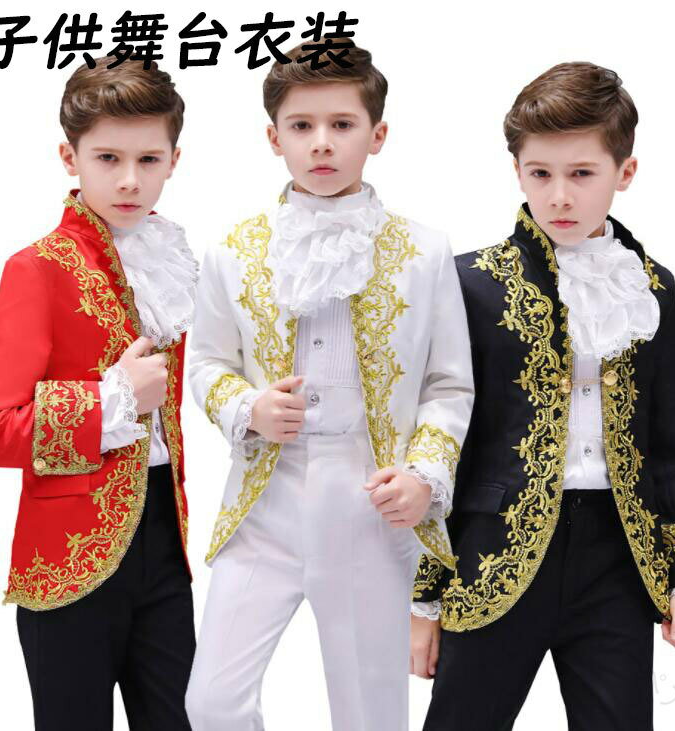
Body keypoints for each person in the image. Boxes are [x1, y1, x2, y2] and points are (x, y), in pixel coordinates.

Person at [184, 39, 474, 731]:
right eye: (301, 125)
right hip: (266, 499)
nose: (321, 142)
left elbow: (448, 383)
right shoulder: (233, 249)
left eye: (341, 124)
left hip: (370, 499)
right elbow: (205, 363)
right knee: (211, 701)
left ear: (376, 135)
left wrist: (424, 474)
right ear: (274, 138)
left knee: (369, 713)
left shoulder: (424, 249)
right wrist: (247, 406)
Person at [410, 61, 675, 731]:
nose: (559, 196)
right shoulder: (468, 282)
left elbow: (669, 443)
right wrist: (422, 599)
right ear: (517, 171)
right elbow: (440, 439)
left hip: (618, 557)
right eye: (540, 173)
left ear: (624, 172)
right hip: (492, 551)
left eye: (582, 173)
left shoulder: (653, 286)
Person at [0, 56, 198, 731]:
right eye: (107, 158)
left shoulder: (174, 260)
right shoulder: (36, 268)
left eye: (148, 159)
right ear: (70, 157)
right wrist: (111, 398)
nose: (129, 180)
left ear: (174, 160)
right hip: (65, 559)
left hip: (165, 541)